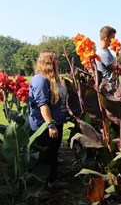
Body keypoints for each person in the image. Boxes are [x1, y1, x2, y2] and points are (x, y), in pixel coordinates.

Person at [29, 50, 69, 193]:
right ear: (48, 62)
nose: (58, 61)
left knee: (52, 154)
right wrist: (50, 124)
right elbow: (43, 105)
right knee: (44, 156)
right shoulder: (40, 79)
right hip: (44, 126)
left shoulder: (51, 79)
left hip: (56, 123)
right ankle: (36, 189)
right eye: (56, 59)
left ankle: (52, 181)